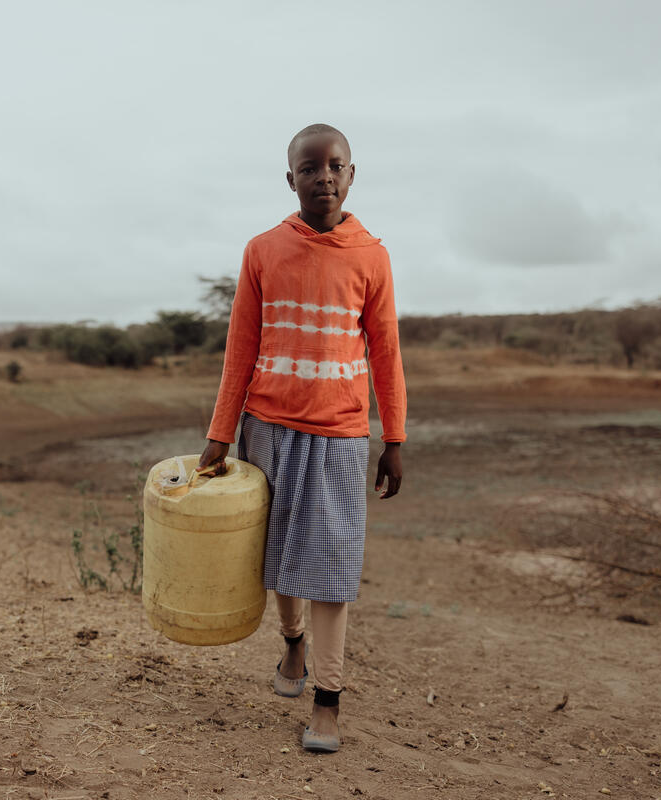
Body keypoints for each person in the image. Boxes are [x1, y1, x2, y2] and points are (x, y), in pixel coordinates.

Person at [197, 123, 406, 753]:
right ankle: (292, 646)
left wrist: (393, 437)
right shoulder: (262, 251)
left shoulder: (371, 254)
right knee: (278, 559)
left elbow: (386, 350)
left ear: (351, 174)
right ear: (290, 179)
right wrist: (220, 434)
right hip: (268, 428)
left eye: (335, 166)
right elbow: (242, 349)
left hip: (342, 433)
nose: (324, 178)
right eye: (309, 169)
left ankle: (328, 702)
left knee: (333, 570)